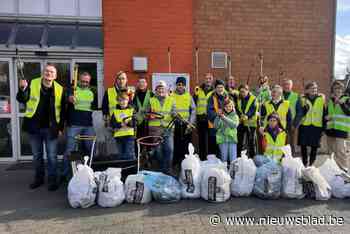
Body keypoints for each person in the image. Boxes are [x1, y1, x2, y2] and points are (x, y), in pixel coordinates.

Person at [16, 64, 65, 191]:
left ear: (55, 76)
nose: (49, 73)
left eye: (52, 72)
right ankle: (39, 179)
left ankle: (52, 180)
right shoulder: (33, 83)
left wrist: (60, 128)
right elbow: (22, 99)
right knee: (37, 155)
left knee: (52, 156)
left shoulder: (60, 88)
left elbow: (62, 110)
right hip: (34, 127)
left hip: (51, 128)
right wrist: (22, 88)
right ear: (43, 73)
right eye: (47, 71)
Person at [62, 72, 98, 181]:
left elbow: (93, 106)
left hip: (88, 125)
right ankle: (65, 174)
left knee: (92, 148)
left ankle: (90, 172)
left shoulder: (92, 92)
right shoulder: (71, 89)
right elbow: (63, 99)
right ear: (79, 80)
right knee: (70, 150)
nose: (85, 83)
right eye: (83, 81)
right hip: (74, 125)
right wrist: (68, 99)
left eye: (87, 82)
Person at [147, 80, 176, 174]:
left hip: (168, 128)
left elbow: (174, 111)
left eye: (162, 88)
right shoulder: (151, 100)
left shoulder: (171, 100)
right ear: (155, 90)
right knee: (158, 151)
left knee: (169, 149)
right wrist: (149, 115)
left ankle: (167, 170)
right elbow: (146, 113)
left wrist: (175, 115)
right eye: (158, 89)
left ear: (166, 90)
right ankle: (161, 169)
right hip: (155, 129)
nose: (160, 90)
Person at [298, 82, 326, 167]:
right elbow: (299, 113)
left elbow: (324, 113)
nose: (314, 90)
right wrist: (304, 109)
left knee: (314, 146)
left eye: (315, 88)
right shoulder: (302, 99)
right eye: (312, 88)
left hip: (317, 126)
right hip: (305, 125)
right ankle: (305, 163)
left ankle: (311, 164)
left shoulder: (321, 98)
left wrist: (324, 127)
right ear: (307, 90)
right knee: (303, 146)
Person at [171, 76, 196, 169]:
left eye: (182, 85)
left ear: (185, 86)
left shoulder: (189, 97)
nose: (180, 86)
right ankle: (175, 164)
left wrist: (191, 123)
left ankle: (186, 165)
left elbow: (193, 111)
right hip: (175, 124)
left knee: (186, 145)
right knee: (176, 144)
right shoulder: (171, 96)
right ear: (176, 85)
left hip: (186, 125)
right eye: (178, 84)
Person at [325, 80, 350, 171]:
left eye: (339, 88)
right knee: (331, 152)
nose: (338, 90)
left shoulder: (346, 99)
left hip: (341, 130)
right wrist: (326, 117)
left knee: (341, 151)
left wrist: (341, 103)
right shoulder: (330, 100)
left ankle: (344, 170)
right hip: (330, 130)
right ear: (333, 90)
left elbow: (348, 112)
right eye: (336, 88)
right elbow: (327, 113)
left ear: (342, 90)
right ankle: (334, 171)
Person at [193, 72, 214, 160]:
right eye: (206, 78)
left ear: (212, 80)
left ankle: (211, 159)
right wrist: (195, 95)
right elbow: (193, 103)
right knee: (202, 140)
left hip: (211, 118)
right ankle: (202, 159)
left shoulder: (214, 91)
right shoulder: (198, 90)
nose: (208, 80)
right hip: (201, 118)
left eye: (210, 79)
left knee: (211, 139)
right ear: (204, 80)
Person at [110, 92, 136, 160]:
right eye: (120, 100)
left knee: (129, 154)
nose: (122, 102)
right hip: (119, 136)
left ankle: (131, 168)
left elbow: (135, 122)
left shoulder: (131, 110)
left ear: (128, 100)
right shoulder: (115, 112)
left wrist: (128, 123)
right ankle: (122, 169)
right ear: (118, 102)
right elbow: (112, 124)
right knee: (120, 155)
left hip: (129, 136)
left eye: (124, 100)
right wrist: (120, 124)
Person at [207, 79, 229, 156]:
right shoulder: (211, 98)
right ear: (215, 88)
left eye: (221, 87)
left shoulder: (228, 97)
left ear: (224, 88)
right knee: (213, 149)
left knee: (223, 149)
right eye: (218, 87)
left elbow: (231, 111)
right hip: (213, 127)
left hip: (225, 128)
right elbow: (209, 112)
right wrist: (218, 117)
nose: (220, 89)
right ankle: (213, 165)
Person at [214, 98, 239, 164]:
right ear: (223, 107)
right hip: (222, 140)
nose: (228, 108)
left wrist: (224, 118)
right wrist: (218, 117)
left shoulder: (235, 116)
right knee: (223, 159)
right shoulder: (220, 116)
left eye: (230, 106)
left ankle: (233, 172)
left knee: (233, 159)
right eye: (226, 106)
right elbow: (216, 126)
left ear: (233, 107)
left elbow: (234, 125)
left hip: (232, 139)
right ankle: (223, 173)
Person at [236, 84, 258, 158]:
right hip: (241, 123)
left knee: (251, 142)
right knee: (240, 141)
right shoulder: (239, 98)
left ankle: (253, 158)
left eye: (243, 91)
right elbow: (237, 109)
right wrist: (240, 116)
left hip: (251, 124)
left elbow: (253, 109)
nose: (242, 93)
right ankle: (239, 157)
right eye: (240, 92)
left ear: (247, 91)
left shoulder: (253, 98)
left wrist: (247, 116)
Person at [282, 79, 303, 154]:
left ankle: (291, 159)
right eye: (285, 84)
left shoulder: (296, 96)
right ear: (283, 86)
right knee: (281, 142)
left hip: (291, 123)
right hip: (280, 123)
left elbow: (299, 112)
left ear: (291, 86)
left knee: (290, 143)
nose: (286, 86)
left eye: (288, 84)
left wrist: (295, 124)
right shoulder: (279, 95)